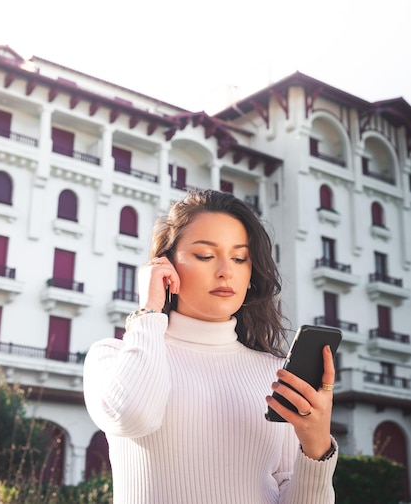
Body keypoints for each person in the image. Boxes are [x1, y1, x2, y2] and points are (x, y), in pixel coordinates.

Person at [83, 189, 338, 503]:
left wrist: (317, 448)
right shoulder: (111, 358)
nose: (226, 271)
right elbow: (133, 416)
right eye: (205, 255)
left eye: (239, 258)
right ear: (166, 266)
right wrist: (149, 310)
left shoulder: (274, 372)